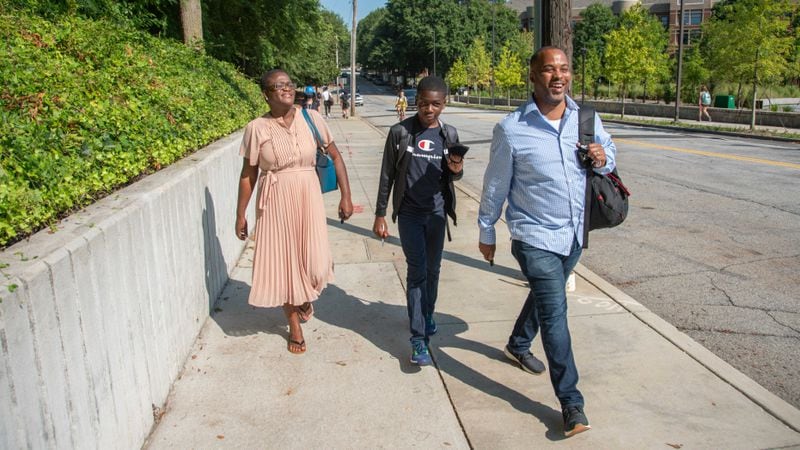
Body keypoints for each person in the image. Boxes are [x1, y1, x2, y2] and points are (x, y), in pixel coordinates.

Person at [477, 46, 617, 438]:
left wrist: (602, 155)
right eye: (549, 70)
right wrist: (487, 229)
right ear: (533, 76)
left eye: (564, 69)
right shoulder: (512, 128)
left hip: (574, 233)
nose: (558, 76)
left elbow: (611, 157)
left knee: (545, 297)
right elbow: (495, 183)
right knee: (555, 313)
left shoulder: (586, 118)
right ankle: (571, 403)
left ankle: (518, 344)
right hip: (533, 234)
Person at [236, 69, 354, 355]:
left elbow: (335, 156)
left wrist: (346, 196)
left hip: (308, 196)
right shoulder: (256, 128)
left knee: (316, 264)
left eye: (288, 84)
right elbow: (248, 173)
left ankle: (304, 296)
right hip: (275, 199)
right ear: (266, 94)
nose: (286, 88)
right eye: (278, 86)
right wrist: (241, 213)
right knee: (284, 265)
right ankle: (294, 326)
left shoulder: (311, 118)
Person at [373, 76, 465, 366]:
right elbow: (387, 174)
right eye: (424, 103)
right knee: (417, 272)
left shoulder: (449, 135)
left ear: (444, 104)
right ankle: (418, 339)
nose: (428, 109)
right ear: (417, 101)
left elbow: (454, 175)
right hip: (410, 214)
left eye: (435, 104)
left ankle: (427, 313)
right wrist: (380, 214)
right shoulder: (400, 131)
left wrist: (457, 169)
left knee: (433, 270)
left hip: (436, 214)